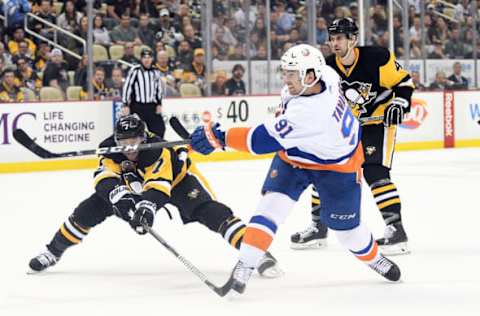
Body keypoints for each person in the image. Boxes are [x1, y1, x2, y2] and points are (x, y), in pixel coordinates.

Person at [189, 44, 401, 295]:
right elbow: (277, 131)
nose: (285, 78)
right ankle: (245, 264)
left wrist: (219, 137)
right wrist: (220, 137)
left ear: (310, 76)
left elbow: (259, 141)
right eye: (286, 71)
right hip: (296, 155)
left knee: (347, 231)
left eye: (291, 73)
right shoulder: (327, 76)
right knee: (270, 208)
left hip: (337, 166)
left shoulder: (311, 112)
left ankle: (375, 258)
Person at [28, 115, 281, 279]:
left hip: (178, 183)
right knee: (86, 211)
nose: (129, 148)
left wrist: (145, 210)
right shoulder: (110, 150)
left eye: (135, 141)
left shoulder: (157, 151)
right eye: (123, 142)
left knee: (213, 213)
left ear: (145, 137)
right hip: (133, 185)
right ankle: (52, 251)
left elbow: (159, 187)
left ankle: (256, 253)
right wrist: (121, 199)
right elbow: (103, 178)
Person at [290, 18, 414, 256]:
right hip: (347, 127)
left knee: (375, 172)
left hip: (378, 123)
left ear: (353, 39)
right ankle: (319, 227)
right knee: (323, 167)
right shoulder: (326, 68)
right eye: (332, 38)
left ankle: (396, 230)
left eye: (340, 38)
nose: (334, 43)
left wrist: (400, 102)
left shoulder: (377, 57)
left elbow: (404, 82)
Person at [122, 48, 165, 138]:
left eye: (149, 57)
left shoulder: (155, 71)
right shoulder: (135, 70)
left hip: (151, 106)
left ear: (152, 59)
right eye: (144, 57)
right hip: (137, 106)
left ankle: (156, 149)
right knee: (135, 130)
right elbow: (127, 87)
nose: (147, 60)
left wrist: (159, 103)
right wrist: (126, 104)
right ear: (141, 59)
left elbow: (158, 88)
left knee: (159, 129)